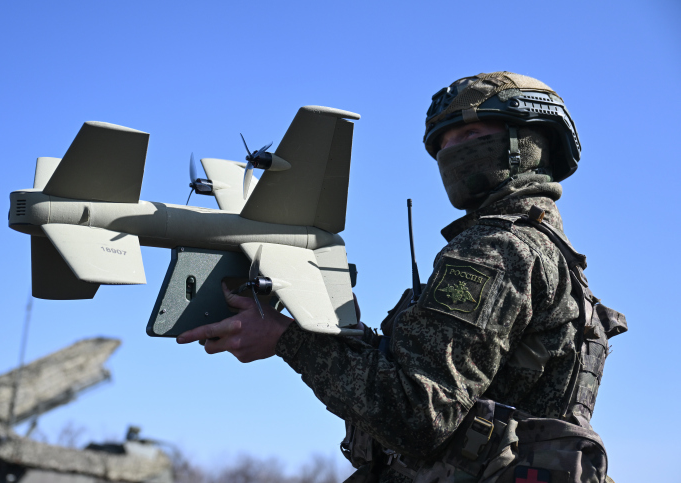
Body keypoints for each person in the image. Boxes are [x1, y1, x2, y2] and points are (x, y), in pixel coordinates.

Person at [176, 72, 626, 483]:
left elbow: (417, 413)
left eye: (470, 134)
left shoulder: (498, 250)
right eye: (444, 142)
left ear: (527, 142)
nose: (452, 151)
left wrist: (287, 339)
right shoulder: (543, 252)